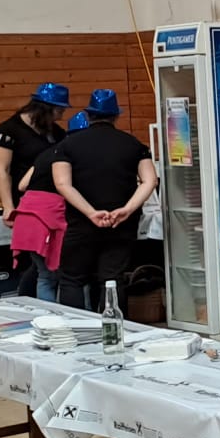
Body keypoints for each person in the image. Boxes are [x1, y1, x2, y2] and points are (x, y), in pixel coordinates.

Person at [51, 90, 156, 311]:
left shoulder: (67, 146)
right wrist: (127, 209)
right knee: (112, 278)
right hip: (121, 224)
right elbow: (150, 181)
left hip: (81, 223)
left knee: (72, 278)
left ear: (89, 115)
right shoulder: (133, 144)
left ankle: (75, 327)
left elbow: (62, 184)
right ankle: (115, 327)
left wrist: (90, 212)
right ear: (115, 116)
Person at [0, 83, 68, 300]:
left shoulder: (55, 132)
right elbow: (2, 170)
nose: (61, 116)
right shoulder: (9, 130)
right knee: (40, 266)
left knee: (44, 265)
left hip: (52, 205)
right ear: (45, 109)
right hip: (27, 203)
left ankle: (30, 300)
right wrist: (8, 206)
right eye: (59, 111)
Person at [10, 110, 86, 302]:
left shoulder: (47, 153)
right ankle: (76, 315)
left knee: (44, 275)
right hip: (47, 220)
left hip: (25, 217)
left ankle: (47, 317)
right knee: (70, 277)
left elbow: (22, 185)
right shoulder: (75, 155)